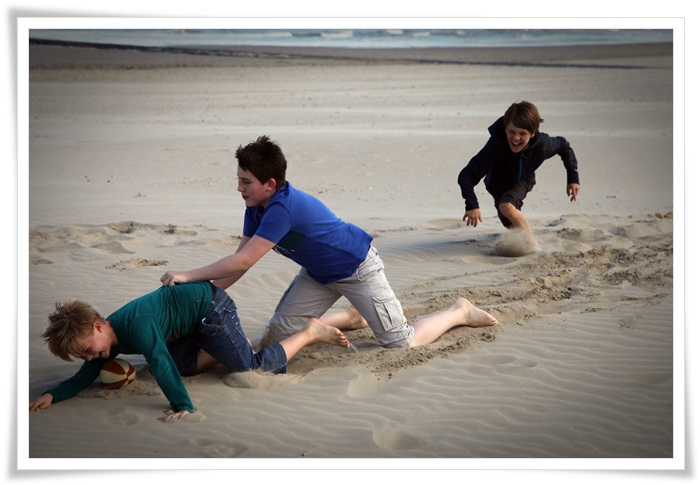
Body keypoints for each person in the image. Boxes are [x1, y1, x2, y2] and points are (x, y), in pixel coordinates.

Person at [160, 135, 498, 350]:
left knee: (400, 342)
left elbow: (245, 262)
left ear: (270, 183)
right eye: (239, 180)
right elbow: (238, 263)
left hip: (357, 267)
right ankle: (352, 316)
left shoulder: (282, 208)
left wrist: (188, 276)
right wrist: (203, 301)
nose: (240, 188)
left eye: (246, 181)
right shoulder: (255, 207)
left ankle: (458, 311)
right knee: (275, 339)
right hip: (318, 275)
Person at [28, 281, 349, 421]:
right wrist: (53, 395)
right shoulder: (104, 343)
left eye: (86, 350)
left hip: (210, 309)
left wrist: (182, 405)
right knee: (184, 367)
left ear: (98, 326)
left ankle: (309, 332)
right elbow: (88, 372)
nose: (89, 358)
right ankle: (229, 347)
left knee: (252, 368)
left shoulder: (136, 325)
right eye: (81, 356)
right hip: (184, 328)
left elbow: (160, 360)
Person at [457, 101, 580, 254]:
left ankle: (534, 248)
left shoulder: (542, 145)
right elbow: (467, 175)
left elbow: (563, 145)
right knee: (512, 226)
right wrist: (472, 205)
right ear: (505, 128)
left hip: (524, 179)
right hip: (498, 188)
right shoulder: (495, 146)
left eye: (522, 133)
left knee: (506, 206)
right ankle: (525, 240)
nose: (516, 138)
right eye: (511, 132)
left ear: (532, 133)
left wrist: (573, 177)